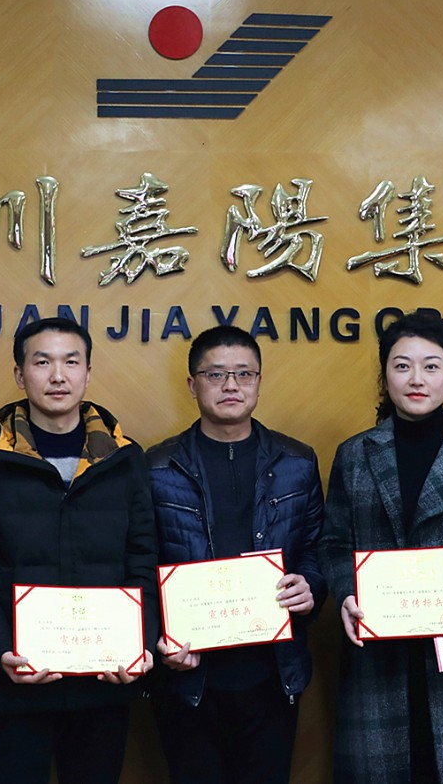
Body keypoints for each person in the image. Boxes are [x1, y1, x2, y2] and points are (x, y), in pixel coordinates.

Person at [0, 316, 158, 784]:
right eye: (42, 362)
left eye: (71, 362)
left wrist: (140, 643)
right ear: (20, 374)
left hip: (105, 678)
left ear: (88, 372)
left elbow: (143, 559)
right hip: (16, 682)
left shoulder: (124, 458)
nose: (58, 375)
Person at [319, 310, 443, 784]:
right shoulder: (354, 453)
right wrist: (346, 594)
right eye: (402, 366)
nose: (417, 379)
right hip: (377, 651)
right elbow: (333, 543)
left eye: (431, 366)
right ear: (385, 374)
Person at [145, 325, 326, 784]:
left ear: (259, 382)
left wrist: (311, 586)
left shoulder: (298, 462)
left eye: (244, 374)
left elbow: (315, 549)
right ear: (192, 385)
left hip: (272, 673)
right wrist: (158, 638)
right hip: (189, 676)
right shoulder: (156, 467)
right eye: (216, 374)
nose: (231, 385)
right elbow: (141, 565)